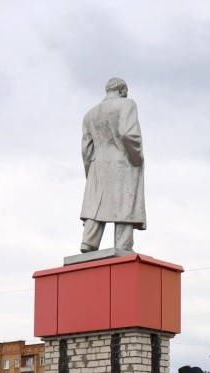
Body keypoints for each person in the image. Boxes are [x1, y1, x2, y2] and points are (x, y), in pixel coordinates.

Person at [79, 77, 145, 253]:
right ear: (122, 90)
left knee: (96, 204)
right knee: (123, 203)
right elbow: (127, 133)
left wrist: (90, 173)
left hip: (97, 165)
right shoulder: (127, 104)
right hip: (122, 161)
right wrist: (137, 158)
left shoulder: (90, 115)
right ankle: (123, 246)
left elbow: (86, 150)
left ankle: (89, 241)